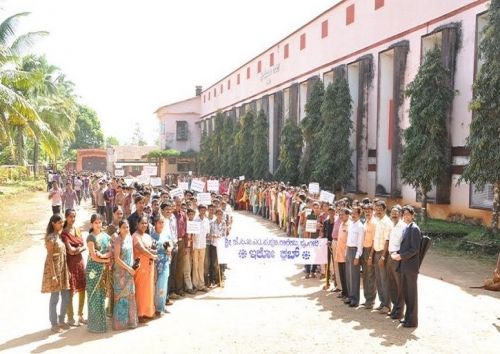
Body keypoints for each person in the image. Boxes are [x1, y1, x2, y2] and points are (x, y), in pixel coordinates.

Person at [41, 214, 71, 333]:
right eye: (59, 222)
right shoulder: (50, 238)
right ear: (53, 223)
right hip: (54, 271)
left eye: (62, 222)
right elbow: (49, 258)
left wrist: (67, 270)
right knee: (55, 298)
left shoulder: (59, 237)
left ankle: (61, 320)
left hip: (63, 269)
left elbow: (63, 256)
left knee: (66, 296)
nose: (62, 224)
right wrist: (53, 275)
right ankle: (54, 323)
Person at [393, 205, 422, 328]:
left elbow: (414, 249)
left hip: (410, 267)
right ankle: (407, 318)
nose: (406, 217)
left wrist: (401, 256)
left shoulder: (414, 228)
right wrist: (399, 254)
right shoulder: (407, 228)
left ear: (413, 215)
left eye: (408, 214)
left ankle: (412, 320)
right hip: (405, 265)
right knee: (406, 293)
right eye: (404, 214)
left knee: (411, 294)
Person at [86, 213, 112, 333]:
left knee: (101, 295)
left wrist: (106, 256)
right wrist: (105, 260)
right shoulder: (91, 237)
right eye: (96, 222)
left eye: (100, 222)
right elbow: (93, 256)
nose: (98, 224)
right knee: (94, 296)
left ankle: (102, 324)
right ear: (92, 223)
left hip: (104, 269)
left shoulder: (106, 236)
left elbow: (110, 251)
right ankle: (94, 325)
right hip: (93, 269)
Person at [61, 209, 87, 327]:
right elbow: (70, 251)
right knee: (70, 291)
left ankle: (80, 315)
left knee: (82, 289)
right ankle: (70, 318)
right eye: (71, 216)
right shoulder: (64, 233)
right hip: (70, 263)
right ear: (66, 217)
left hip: (80, 262)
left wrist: (78, 248)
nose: (73, 219)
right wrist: (78, 248)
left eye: (74, 216)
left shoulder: (76, 229)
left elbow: (84, 245)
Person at [112, 219, 138, 330]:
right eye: (124, 227)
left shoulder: (129, 237)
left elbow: (131, 254)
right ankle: (120, 324)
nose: (126, 229)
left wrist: (134, 266)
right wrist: (128, 268)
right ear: (119, 228)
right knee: (121, 296)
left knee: (130, 296)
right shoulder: (118, 240)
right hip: (120, 273)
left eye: (127, 227)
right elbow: (116, 259)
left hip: (129, 272)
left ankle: (131, 322)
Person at [133, 216, 157, 322]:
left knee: (149, 289)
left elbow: (152, 248)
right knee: (140, 289)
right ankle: (140, 313)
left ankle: (148, 312)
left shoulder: (147, 236)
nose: (144, 225)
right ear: (137, 224)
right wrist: (152, 255)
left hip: (149, 266)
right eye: (142, 223)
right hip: (140, 267)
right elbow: (141, 249)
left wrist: (153, 252)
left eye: (146, 223)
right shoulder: (135, 236)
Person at [371, 200, 393, 314]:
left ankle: (387, 305)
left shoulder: (387, 223)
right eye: (376, 209)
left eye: (380, 209)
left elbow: (387, 241)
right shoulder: (378, 221)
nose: (378, 211)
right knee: (379, 280)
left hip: (383, 254)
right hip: (376, 252)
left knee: (384, 280)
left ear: (385, 210)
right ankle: (382, 303)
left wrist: (383, 257)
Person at [387, 205, 406, 320]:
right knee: (392, 283)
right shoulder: (392, 225)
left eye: (396, 212)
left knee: (399, 285)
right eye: (392, 212)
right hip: (390, 255)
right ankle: (395, 308)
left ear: (400, 214)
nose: (394, 214)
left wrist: (399, 256)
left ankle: (400, 311)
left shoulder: (403, 227)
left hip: (398, 257)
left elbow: (404, 243)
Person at [151, 215, 173, 315]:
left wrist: (169, 249)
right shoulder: (151, 236)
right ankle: (155, 307)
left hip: (165, 263)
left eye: (163, 222)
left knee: (163, 286)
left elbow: (170, 244)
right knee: (156, 286)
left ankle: (162, 306)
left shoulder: (166, 235)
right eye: (159, 222)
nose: (161, 224)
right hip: (155, 265)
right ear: (155, 223)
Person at [345, 206, 364, 307]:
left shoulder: (360, 226)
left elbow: (360, 243)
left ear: (359, 214)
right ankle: (350, 296)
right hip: (348, 250)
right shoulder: (351, 224)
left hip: (355, 251)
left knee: (354, 276)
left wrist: (357, 256)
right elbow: (348, 239)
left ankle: (355, 299)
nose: (352, 215)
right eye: (352, 213)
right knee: (348, 275)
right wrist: (345, 252)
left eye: (355, 213)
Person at [361, 203, 377, 309]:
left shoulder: (374, 223)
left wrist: (371, 256)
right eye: (365, 210)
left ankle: (371, 300)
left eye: (369, 210)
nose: (367, 212)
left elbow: (374, 241)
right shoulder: (365, 222)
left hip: (371, 250)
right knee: (365, 275)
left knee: (371, 276)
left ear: (373, 210)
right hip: (364, 250)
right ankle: (367, 298)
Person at [193, 205, 210, 292]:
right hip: (195, 246)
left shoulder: (207, 221)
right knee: (195, 265)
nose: (203, 211)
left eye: (204, 210)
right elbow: (192, 233)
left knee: (201, 265)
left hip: (203, 245)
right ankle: (195, 285)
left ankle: (201, 284)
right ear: (199, 210)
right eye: (201, 210)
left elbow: (207, 233)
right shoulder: (195, 220)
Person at [335, 208, 350, 300]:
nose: (341, 216)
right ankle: (344, 292)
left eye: (343, 214)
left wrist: (346, 253)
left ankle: (348, 293)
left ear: (348, 215)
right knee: (341, 274)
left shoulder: (349, 225)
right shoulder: (341, 224)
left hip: (345, 254)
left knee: (346, 275)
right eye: (340, 215)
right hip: (339, 253)